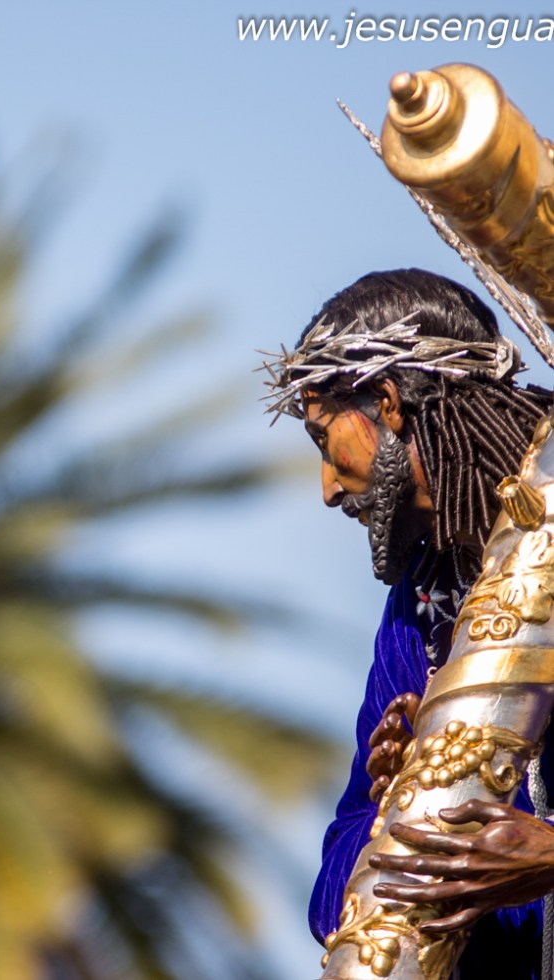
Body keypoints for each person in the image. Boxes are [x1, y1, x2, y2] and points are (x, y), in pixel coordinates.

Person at [264, 268, 554, 978]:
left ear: (388, 405)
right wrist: (394, 797)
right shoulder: (419, 606)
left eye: (325, 441)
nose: (327, 488)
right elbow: (335, 907)